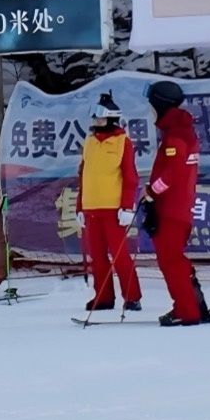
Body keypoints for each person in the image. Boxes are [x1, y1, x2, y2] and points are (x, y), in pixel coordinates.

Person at [140, 80, 210, 327]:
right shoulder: (180, 130)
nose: (150, 110)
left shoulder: (176, 135)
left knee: (170, 260)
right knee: (174, 260)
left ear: (160, 105)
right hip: (178, 208)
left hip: (171, 210)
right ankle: (191, 305)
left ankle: (187, 311)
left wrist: (152, 192)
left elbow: (172, 174)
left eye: (151, 105)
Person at [76, 91, 142, 312]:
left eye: (100, 118)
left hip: (113, 209)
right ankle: (103, 297)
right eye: (94, 118)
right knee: (97, 256)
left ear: (111, 118)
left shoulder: (124, 142)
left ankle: (132, 296)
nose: (96, 122)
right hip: (91, 207)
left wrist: (126, 206)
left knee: (120, 255)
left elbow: (131, 177)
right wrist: (79, 207)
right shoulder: (90, 142)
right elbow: (83, 175)